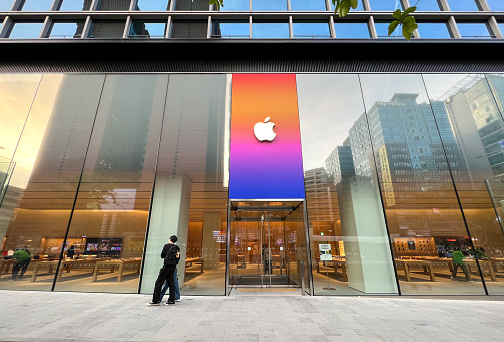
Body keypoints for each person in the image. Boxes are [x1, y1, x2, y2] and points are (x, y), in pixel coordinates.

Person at [148, 235, 180, 306]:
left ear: (170, 239)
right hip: (173, 267)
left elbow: (162, 255)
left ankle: (156, 300)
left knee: (159, 282)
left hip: (166, 266)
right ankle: (171, 300)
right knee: (171, 283)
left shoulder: (166, 246)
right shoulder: (177, 248)